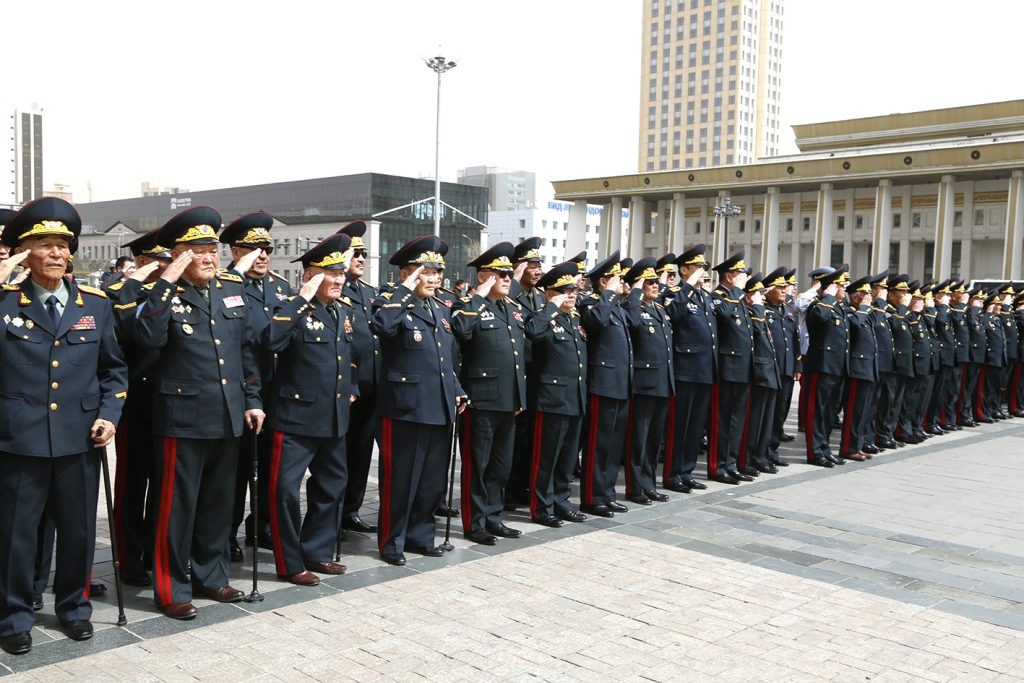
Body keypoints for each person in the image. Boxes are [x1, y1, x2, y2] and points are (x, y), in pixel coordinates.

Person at [0, 197, 127, 654]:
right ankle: (14, 615)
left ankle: (74, 608)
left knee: (77, 532)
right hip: (19, 441)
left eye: (62, 245)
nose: (56, 253)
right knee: (16, 536)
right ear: (24, 252)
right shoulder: (5, 304)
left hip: (78, 439)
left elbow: (115, 371)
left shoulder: (94, 304)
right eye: (44, 245)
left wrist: (108, 416)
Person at [132, 206, 264, 620]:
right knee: (176, 507)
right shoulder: (163, 291)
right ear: (179, 255)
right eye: (198, 251)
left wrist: (254, 399)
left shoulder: (229, 290)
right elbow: (146, 337)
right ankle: (172, 586)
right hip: (181, 418)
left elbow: (245, 352)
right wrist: (168, 277)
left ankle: (212, 575)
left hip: (227, 414)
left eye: (212, 250)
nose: (209, 258)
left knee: (218, 503)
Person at [262, 232, 357, 585]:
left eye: (341, 274)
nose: (338, 280)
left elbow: (349, 357)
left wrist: (353, 387)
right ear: (310, 276)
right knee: (285, 490)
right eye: (330, 273)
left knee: (332, 486)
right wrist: (300, 300)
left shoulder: (342, 312)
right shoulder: (292, 308)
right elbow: (271, 341)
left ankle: (317, 550)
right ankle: (289, 562)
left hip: (333, 417)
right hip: (295, 417)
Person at [372, 235, 468, 566]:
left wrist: (457, 389)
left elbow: (444, 358)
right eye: (425, 272)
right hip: (406, 408)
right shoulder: (391, 303)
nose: (434, 279)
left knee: (430, 480)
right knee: (400, 480)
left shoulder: (439, 309)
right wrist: (404, 291)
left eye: (437, 273)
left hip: (439, 406)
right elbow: (383, 327)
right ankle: (391, 541)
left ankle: (420, 535)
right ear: (406, 274)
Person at [219, 211, 292, 561]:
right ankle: (227, 534)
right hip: (239, 393)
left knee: (268, 467)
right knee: (237, 472)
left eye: (267, 248)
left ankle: (260, 526)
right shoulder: (225, 284)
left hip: (275, 391)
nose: (263, 255)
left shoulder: (279, 286)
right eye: (254, 249)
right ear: (236, 252)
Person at [108, 229, 174, 587]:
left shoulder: (174, 293)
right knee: (133, 485)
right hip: (137, 403)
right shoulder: (121, 293)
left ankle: (154, 548)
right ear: (143, 262)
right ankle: (128, 557)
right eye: (161, 260)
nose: (167, 266)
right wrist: (134, 284)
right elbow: (122, 330)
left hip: (172, 404)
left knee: (164, 484)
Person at [452, 242, 527, 545]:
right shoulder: (469, 305)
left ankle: (494, 516)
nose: (508, 278)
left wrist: (519, 397)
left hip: (508, 401)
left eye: (509, 273)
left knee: (500, 466)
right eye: (500, 274)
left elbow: (518, 356)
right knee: (477, 466)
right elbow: (461, 330)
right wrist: (478, 294)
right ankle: (474, 522)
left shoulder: (511, 308)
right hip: (481, 400)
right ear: (484, 276)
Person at [524, 262, 589, 527]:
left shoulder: (574, 320)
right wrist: (551, 306)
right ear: (550, 293)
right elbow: (533, 332)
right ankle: (542, 507)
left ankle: (562, 502)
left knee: (566, 458)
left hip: (574, 398)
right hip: (551, 400)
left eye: (573, 289)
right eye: (564, 290)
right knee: (546, 459)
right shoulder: (541, 317)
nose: (571, 295)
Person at [577, 251, 641, 517]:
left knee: (613, 445)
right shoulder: (590, 304)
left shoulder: (614, 305)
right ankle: (592, 497)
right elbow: (596, 322)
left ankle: (607, 493)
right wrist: (610, 295)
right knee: (598, 443)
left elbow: (634, 322)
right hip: (602, 383)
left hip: (620, 383)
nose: (621, 283)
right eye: (616, 279)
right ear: (603, 282)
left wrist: (628, 296)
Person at [336, 221, 381, 536]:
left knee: (362, 454)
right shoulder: (335, 290)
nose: (362, 259)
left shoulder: (369, 292)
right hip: (347, 390)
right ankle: (333, 515)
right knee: (339, 457)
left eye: (364, 254)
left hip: (372, 388)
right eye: (356, 254)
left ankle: (351, 510)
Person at [660, 244, 715, 492]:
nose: (702, 271)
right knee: (679, 425)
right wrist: (688, 286)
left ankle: (687, 471)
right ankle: (672, 475)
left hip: (704, 369)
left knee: (695, 426)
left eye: (704, 267)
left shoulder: (704, 296)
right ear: (684, 269)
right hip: (684, 368)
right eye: (697, 267)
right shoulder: (675, 293)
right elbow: (673, 313)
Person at [622, 258, 673, 504]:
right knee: (638, 439)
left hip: (662, 381)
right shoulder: (633, 307)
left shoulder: (659, 308)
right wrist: (634, 292)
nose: (655, 285)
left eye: (655, 281)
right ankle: (634, 487)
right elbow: (632, 323)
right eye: (649, 281)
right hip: (643, 382)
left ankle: (648, 483)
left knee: (654, 438)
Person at [709, 251, 755, 483]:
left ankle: (731, 462)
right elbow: (724, 316)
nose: (745, 277)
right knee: (722, 419)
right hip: (727, 367)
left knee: (737, 419)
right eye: (741, 273)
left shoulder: (737, 297)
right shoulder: (719, 296)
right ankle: (718, 466)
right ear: (729, 276)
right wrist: (736, 291)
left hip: (743, 367)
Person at [803, 265, 850, 467]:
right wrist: (828, 296)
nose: (845, 289)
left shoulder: (838, 307)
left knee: (830, 412)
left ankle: (825, 448)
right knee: (818, 411)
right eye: (842, 286)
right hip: (821, 367)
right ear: (831, 287)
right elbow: (819, 318)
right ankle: (815, 452)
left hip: (837, 367)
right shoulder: (818, 306)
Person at [741, 275, 780, 473]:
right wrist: (757, 308)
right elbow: (754, 333)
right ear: (748, 297)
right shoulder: (750, 313)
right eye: (758, 294)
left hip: (769, 372)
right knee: (754, 422)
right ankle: (748, 460)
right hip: (758, 373)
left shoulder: (759, 312)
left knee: (765, 421)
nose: (762, 298)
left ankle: (760, 456)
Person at [839, 276, 878, 461]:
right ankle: (848, 447)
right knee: (854, 410)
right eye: (866, 293)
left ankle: (858, 445)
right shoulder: (849, 312)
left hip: (869, 367)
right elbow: (854, 325)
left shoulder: (865, 312)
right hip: (857, 368)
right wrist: (863, 309)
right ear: (856, 296)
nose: (869, 296)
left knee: (863, 411)